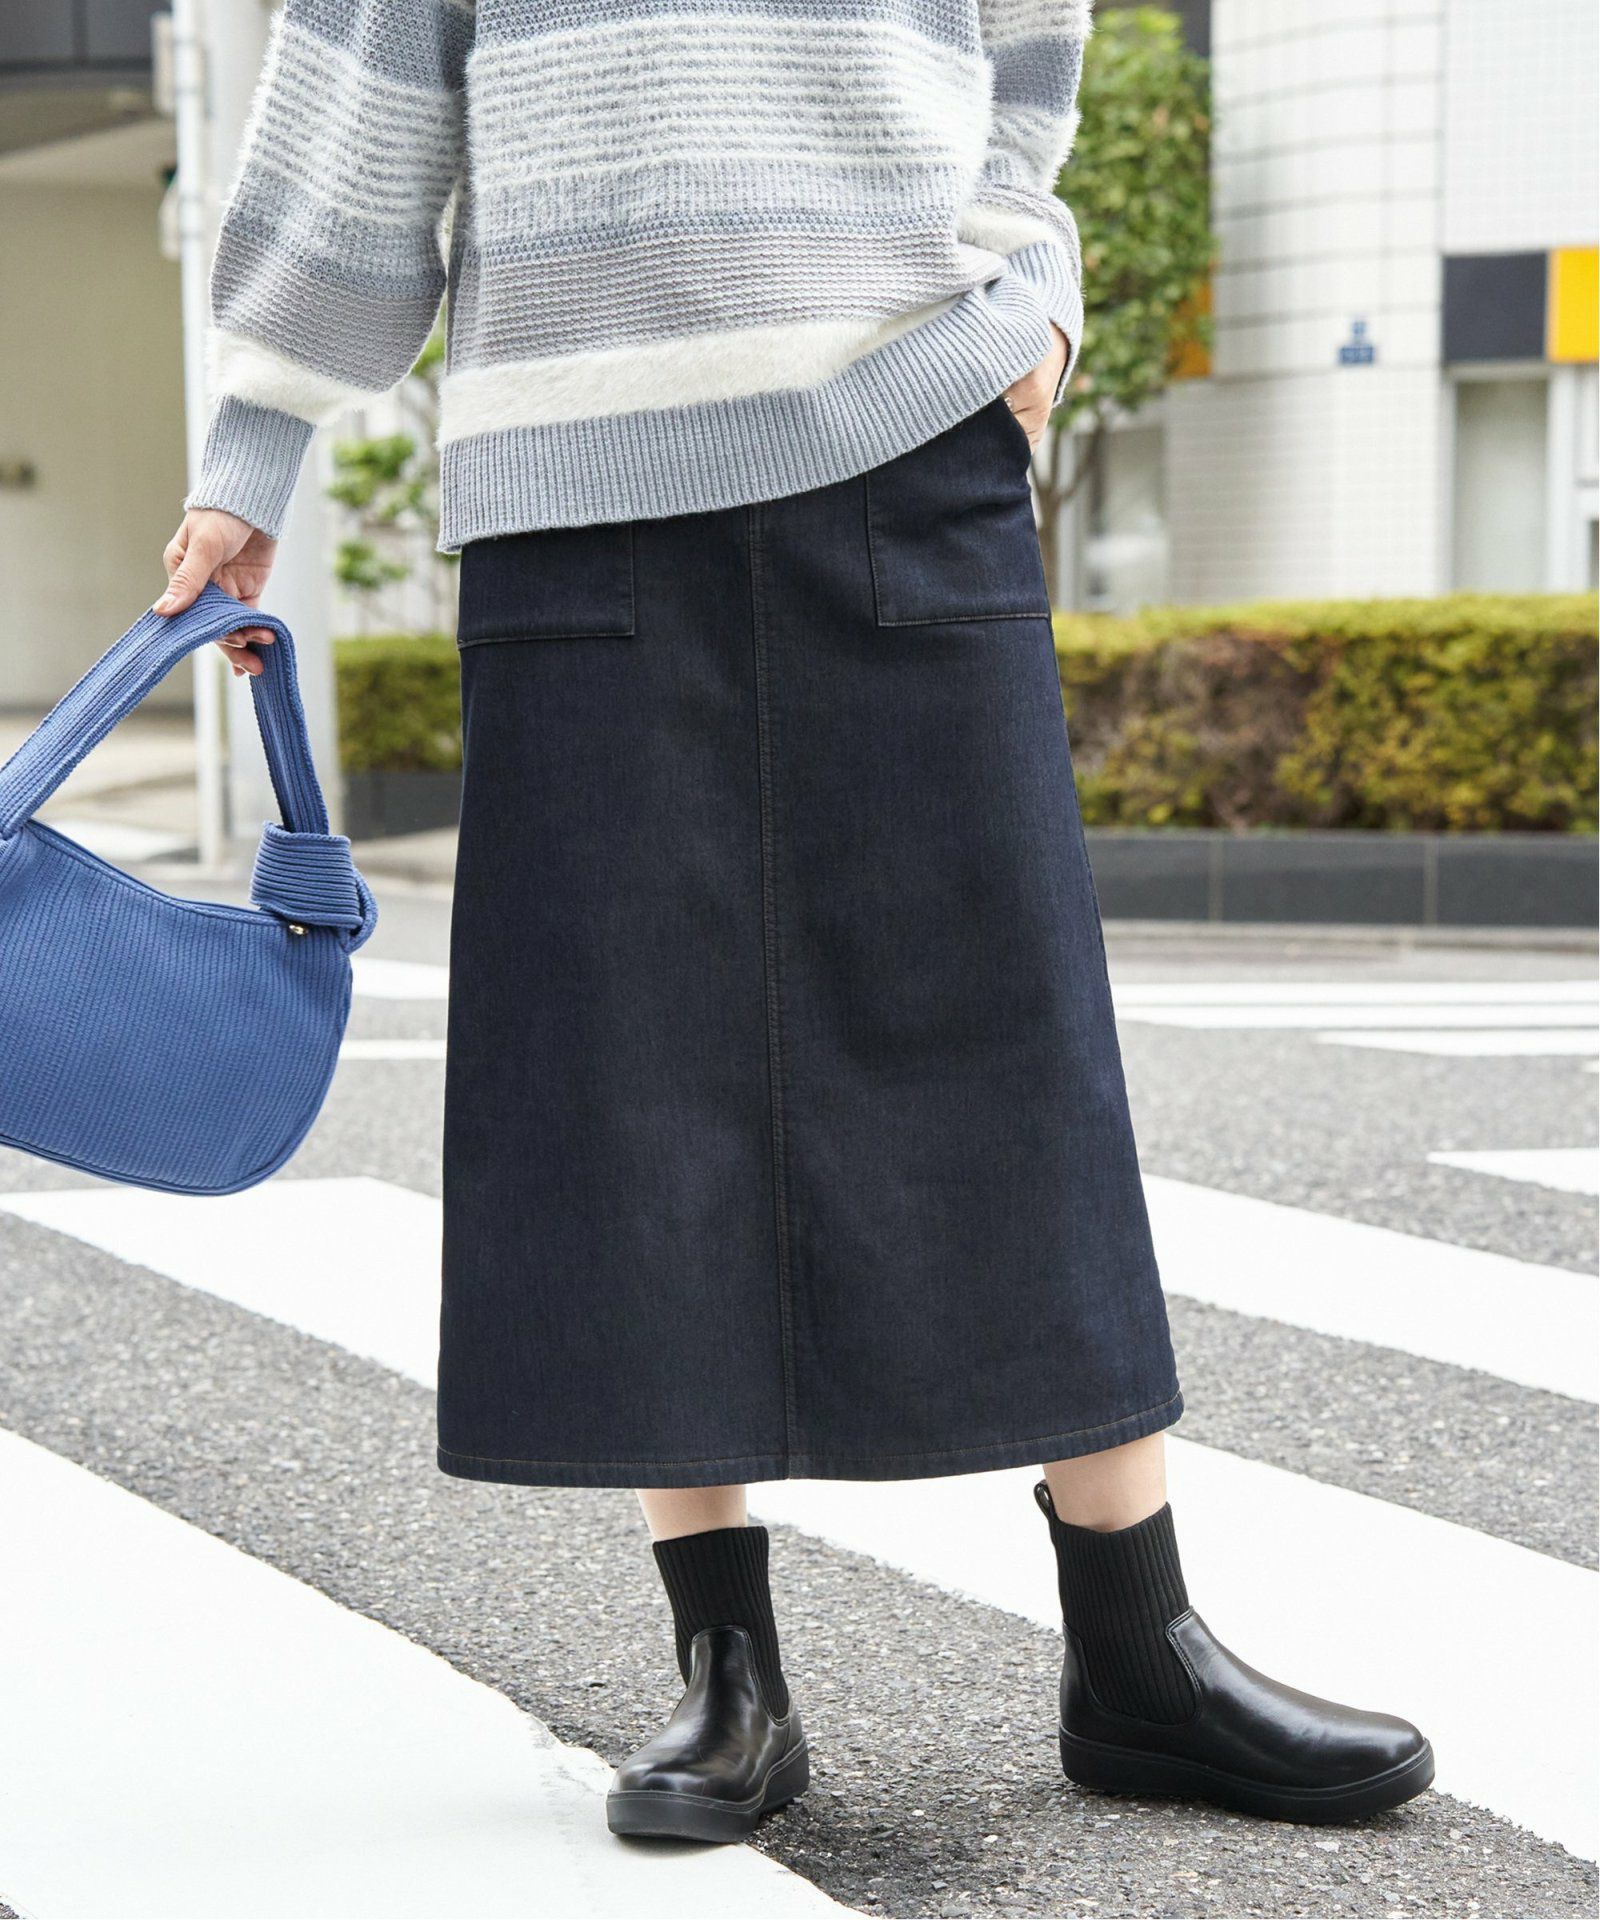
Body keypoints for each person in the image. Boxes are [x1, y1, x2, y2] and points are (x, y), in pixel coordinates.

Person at [159, 0, 1433, 1846]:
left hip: (911, 426)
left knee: (1011, 1033)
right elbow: (354, 107)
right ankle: (726, 1671)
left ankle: (1138, 1647)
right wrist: (249, 451)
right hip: (581, 484)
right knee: (632, 1062)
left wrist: (1035, 295)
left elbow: (1030, 64)